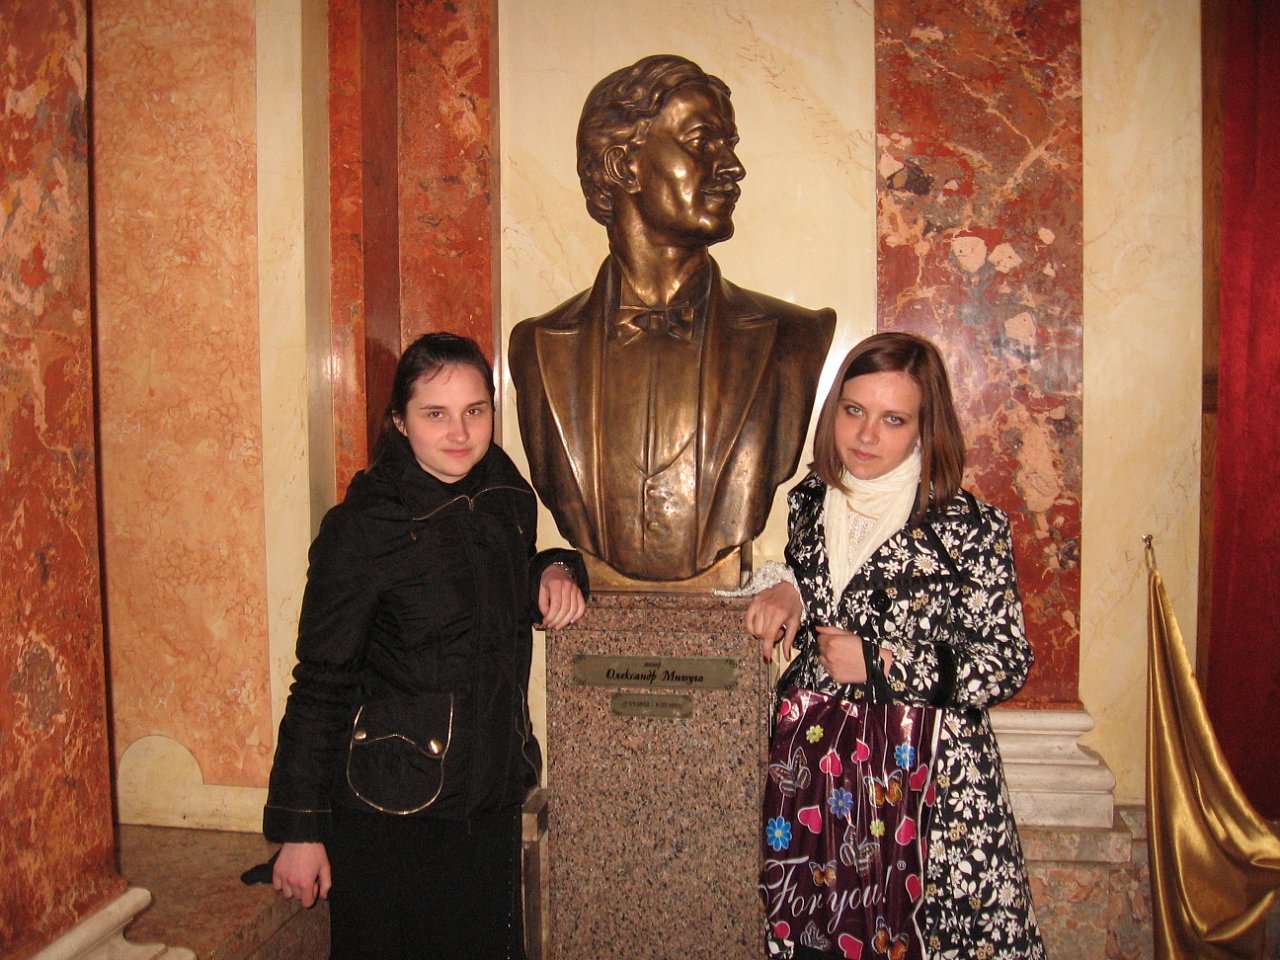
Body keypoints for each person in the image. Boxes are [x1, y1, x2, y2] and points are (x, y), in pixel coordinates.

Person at [263, 333, 587, 960]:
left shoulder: (504, 493)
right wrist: (300, 829)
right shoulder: (364, 527)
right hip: (392, 813)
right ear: (399, 421)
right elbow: (321, 682)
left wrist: (552, 568)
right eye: (435, 414)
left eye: (475, 410)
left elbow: (489, 589)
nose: (460, 433)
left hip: (487, 799)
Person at [745, 332, 1045, 959]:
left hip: (926, 779)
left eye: (893, 419)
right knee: (820, 936)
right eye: (854, 410)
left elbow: (1005, 662)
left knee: (920, 939)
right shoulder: (809, 503)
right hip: (822, 769)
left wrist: (885, 665)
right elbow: (831, 582)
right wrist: (791, 588)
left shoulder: (968, 529)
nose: (865, 436)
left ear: (924, 429)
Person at [509, 54, 834, 583]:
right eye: (703, 142)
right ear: (623, 166)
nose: (733, 167)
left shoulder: (795, 338)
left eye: (729, 144)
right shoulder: (537, 347)